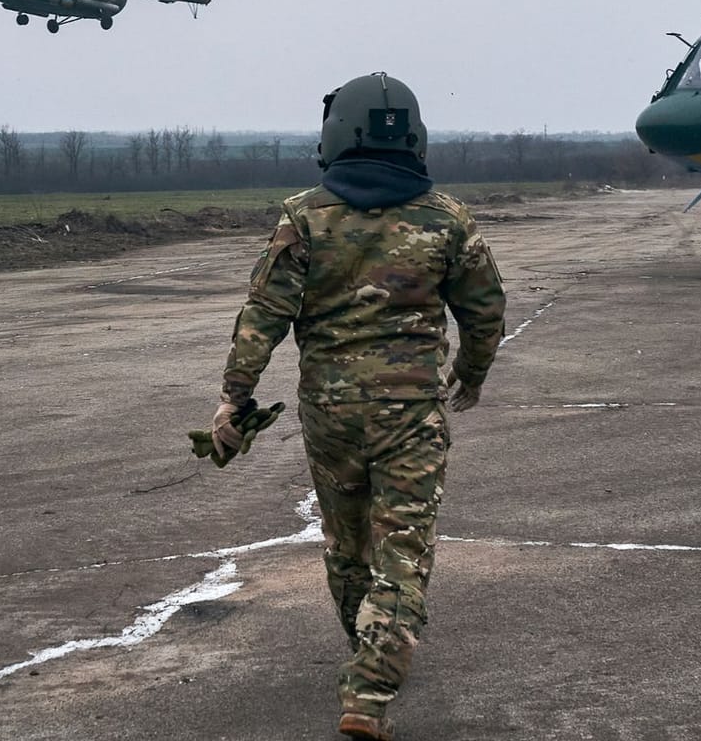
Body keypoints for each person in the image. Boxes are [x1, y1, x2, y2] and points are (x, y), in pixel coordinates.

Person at [207, 72, 506, 740]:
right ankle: (370, 688)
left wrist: (235, 397)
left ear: (336, 134)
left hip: (333, 416)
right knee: (404, 547)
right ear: (416, 136)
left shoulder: (303, 217)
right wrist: (472, 373)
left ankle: (366, 646)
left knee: (346, 545)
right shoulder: (448, 219)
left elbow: (264, 313)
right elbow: (485, 311)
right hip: (410, 417)